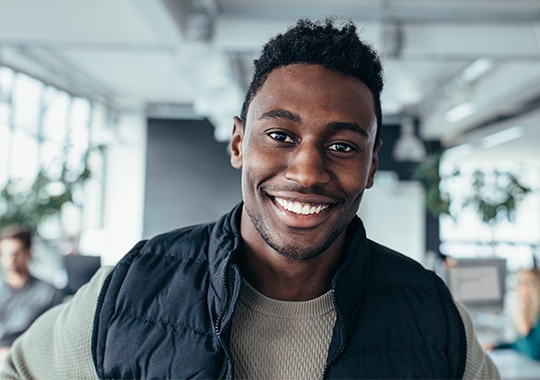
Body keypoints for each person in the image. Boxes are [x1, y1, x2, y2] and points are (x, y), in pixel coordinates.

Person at [0, 18, 499, 379]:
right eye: (281, 136)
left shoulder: (432, 316)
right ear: (239, 143)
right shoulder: (131, 288)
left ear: (371, 165)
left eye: (342, 146)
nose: (306, 172)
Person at [0, 225, 64, 363]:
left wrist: (13, 354)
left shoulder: (49, 293)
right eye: (4, 254)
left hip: (28, 360)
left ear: (29, 253)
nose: (10, 260)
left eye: (16, 253)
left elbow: (53, 337)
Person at [487, 268, 540, 361]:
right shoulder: (531, 313)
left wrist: (523, 322)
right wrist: (496, 346)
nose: (516, 288)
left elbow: (535, 353)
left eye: (521, 283)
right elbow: (519, 345)